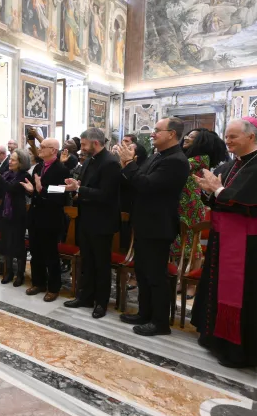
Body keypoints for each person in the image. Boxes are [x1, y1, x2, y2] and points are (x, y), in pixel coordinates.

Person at [192, 117, 257, 370]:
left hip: (248, 245)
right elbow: (219, 200)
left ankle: (238, 351)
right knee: (216, 286)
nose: (227, 141)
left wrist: (217, 191)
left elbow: (248, 202)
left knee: (245, 294)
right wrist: (208, 191)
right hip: (222, 237)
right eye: (226, 136)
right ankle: (214, 337)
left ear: (251, 137)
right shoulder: (228, 166)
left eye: (233, 136)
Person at [113, 117, 190, 336]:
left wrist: (129, 164)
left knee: (156, 276)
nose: (152, 134)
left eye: (157, 130)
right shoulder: (158, 155)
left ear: (172, 134)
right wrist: (128, 167)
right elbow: (138, 181)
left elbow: (146, 185)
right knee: (143, 272)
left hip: (158, 225)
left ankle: (160, 323)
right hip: (145, 222)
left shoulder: (175, 160)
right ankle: (144, 313)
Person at [64, 128, 121, 318]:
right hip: (86, 218)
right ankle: (85, 297)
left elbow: (106, 195)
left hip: (102, 221)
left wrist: (81, 189)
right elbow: (84, 186)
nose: (82, 148)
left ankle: (101, 302)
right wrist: (75, 186)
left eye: (84, 144)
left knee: (101, 264)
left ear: (95, 143)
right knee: (86, 261)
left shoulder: (111, 163)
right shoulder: (89, 160)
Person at [21, 138, 71, 302]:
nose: (39, 149)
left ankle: (54, 288)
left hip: (51, 218)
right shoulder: (39, 166)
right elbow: (37, 191)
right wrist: (32, 191)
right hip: (36, 216)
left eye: (43, 147)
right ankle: (38, 283)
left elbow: (61, 193)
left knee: (50, 254)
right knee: (35, 252)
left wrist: (41, 190)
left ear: (53, 151)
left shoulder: (61, 169)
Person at [171, 129, 227, 258]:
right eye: (187, 135)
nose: (185, 137)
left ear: (200, 142)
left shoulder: (201, 158)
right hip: (182, 202)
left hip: (189, 204)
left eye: (191, 137)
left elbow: (175, 166)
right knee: (179, 240)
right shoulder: (187, 157)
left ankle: (189, 271)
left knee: (188, 241)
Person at [0, 149, 32, 286]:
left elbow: (11, 189)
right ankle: (9, 272)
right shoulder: (7, 174)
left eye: (13, 160)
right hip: (5, 214)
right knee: (6, 244)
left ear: (21, 162)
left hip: (17, 215)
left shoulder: (25, 176)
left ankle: (20, 274)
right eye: (10, 159)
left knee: (18, 245)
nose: (10, 162)